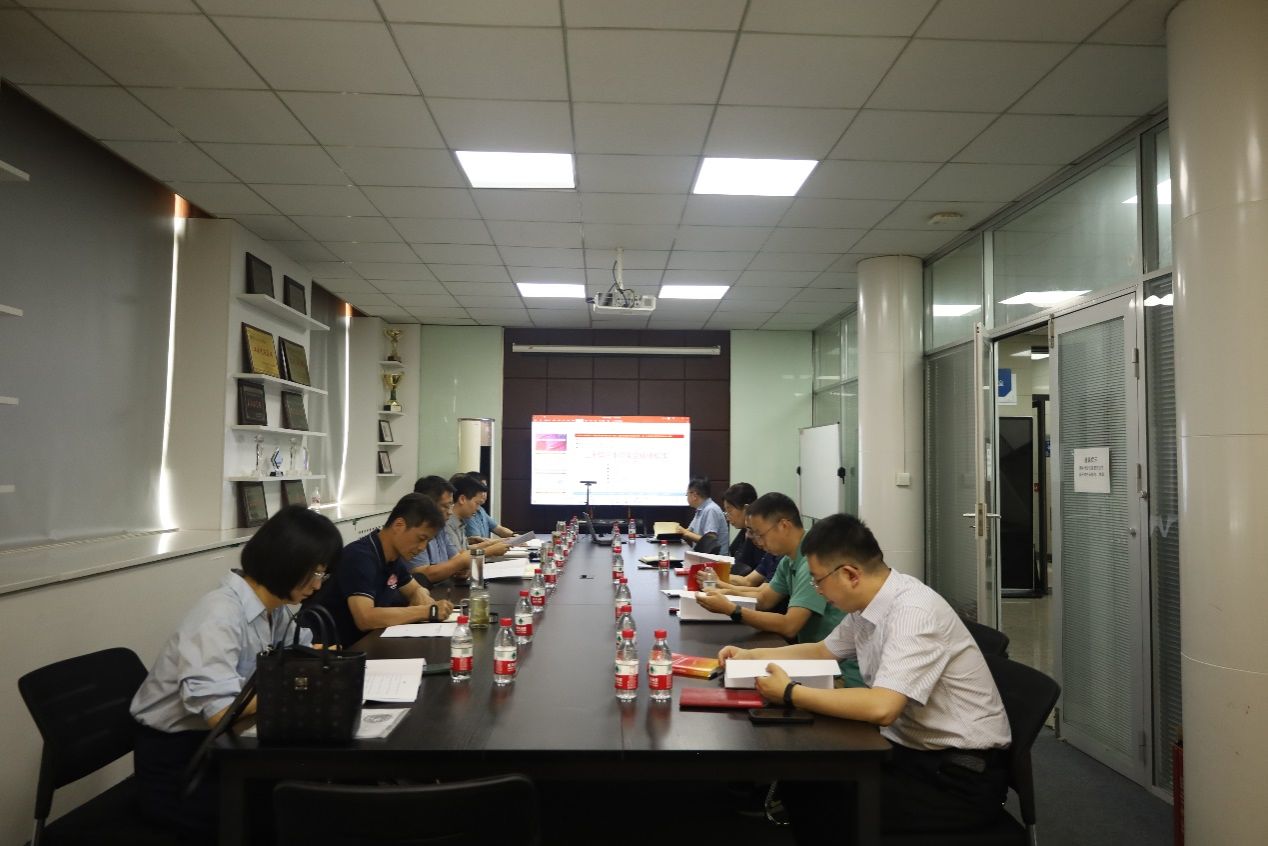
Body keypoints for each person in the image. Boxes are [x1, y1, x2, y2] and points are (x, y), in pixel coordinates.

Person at [717, 514, 1012, 843]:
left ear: (850, 574)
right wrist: (751, 656)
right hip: (908, 751)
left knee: (825, 803)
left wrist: (789, 692)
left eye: (818, 581)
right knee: (804, 781)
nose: (817, 590)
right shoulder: (868, 605)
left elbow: (882, 707)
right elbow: (822, 652)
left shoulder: (913, 613)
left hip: (957, 778)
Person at [130, 506, 343, 837]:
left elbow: (302, 652)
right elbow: (220, 712)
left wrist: (322, 660)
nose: (318, 585)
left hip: (228, 747)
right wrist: (300, 683)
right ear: (287, 562)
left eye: (323, 574)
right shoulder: (219, 615)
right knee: (295, 812)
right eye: (315, 573)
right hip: (179, 766)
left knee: (316, 795)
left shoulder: (274, 610)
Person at [695, 492, 841, 644]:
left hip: (828, 656)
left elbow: (790, 626)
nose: (758, 541)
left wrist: (732, 609)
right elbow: (765, 599)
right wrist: (725, 593)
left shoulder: (812, 560)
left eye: (760, 534)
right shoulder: (788, 559)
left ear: (784, 526)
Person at [315, 493, 455, 647]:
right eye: (421, 538)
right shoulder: (360, 557)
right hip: (329, 649)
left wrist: (420, 592)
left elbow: (414, 588)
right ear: (399, 525)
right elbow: (365, 618)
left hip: (366, 642)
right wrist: (427, 611)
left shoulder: (393, 558)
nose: (422, 547)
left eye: (428, 541)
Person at [409, 474, 470, 586]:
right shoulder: (412, 529)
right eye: (446, 506)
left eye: (451, 505)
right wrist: (461, 562)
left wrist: (461, 569)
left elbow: (455, 558)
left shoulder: (441, 528)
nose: (450, 512)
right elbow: (422, 574)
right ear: (428, 504)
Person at [715, 482, 778, 583]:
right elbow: (747, 580)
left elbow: (759, 587)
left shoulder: (768, 547)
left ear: (746, 509)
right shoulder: (744, 532)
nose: (727, 517)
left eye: (729, 510)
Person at [447, 473, 509, 559]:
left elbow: (464, 550)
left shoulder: (459, 522)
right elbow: (458, 559)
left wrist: (492, 543)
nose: (477, 509)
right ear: (462, 499)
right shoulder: (448, 523)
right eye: (477, 503)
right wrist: (490, 550)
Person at [676, 476, 729, 554]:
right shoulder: (700, 509)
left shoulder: (711, 510)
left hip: (716, 559)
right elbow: (689, 531)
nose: (687, 497)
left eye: (687, 494)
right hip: (703, 556)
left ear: (694, 496)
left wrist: (685, 533)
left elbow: (710, 542)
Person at [462, 470, 516, 540]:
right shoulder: (467, 513)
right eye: (481, 489)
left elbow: (498, 529)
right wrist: (506, 541)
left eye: (485, 489)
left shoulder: (480, 509)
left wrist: (515, 536)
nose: (484, 494)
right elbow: (478, 541)